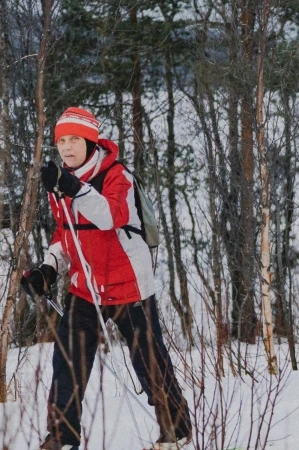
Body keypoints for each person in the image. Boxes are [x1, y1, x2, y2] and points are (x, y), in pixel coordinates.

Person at [20, 107, 192, 450]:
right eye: (61, 141)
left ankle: (177, 431)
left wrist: (73, 188)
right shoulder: (60, 182)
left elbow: (110, 216)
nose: (67, 148)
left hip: (130, 286)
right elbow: (65, 233)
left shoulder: (117, 176)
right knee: (67, 364)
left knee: (149, 363)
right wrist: (49, 267)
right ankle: (63, 438)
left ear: (90, 141)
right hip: (85, 288)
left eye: (74, 140)